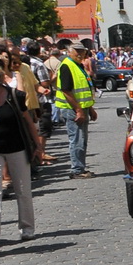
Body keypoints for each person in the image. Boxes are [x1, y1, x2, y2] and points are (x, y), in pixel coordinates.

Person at [0, 60, 41, 244]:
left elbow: (28, 121)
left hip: (17, 147)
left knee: (23, 190)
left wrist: (37, 145)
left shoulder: (14, 95)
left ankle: (27, 228)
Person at [55, 41, 97, 177]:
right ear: (69, 52)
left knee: (82, 139)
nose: (80, 54)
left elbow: (84, 91)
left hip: (81, 108)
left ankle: (80, 168)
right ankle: (77, 170)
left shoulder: (78, 65)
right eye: (76, 51)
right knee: (77, 140)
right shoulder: (67, 66)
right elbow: (66, 91)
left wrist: (90, 109)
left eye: (82, 51)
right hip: (72, 109)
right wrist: (79, 110)